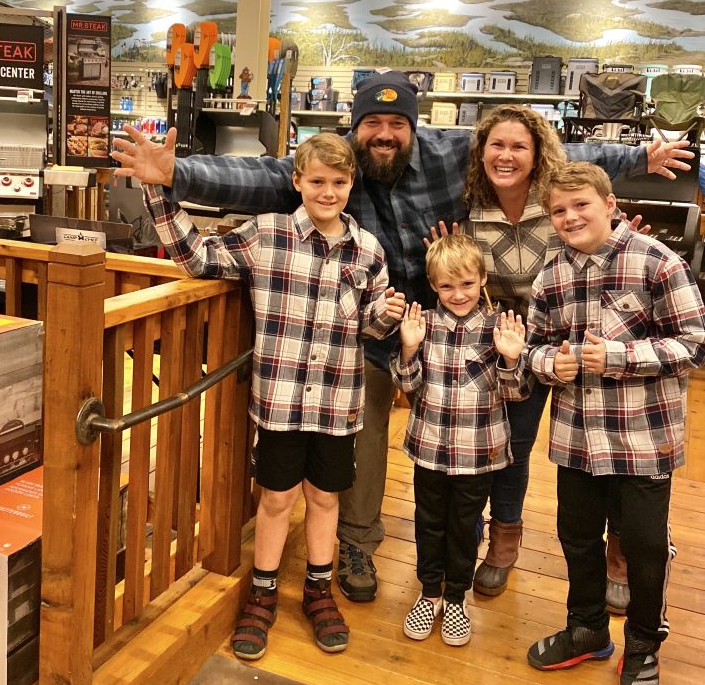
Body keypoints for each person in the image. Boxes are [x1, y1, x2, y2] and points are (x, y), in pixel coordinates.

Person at [111, 71, 694, 604]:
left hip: (457, 324)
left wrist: (641, 152)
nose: (384, 134)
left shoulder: (450, 151)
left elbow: (550, 152)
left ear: (414, 127)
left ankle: (483, 547)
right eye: (373, 123)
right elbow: (260, 177)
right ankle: (358, 541)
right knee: (358, 438)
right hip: (370, 324)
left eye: (396, 123)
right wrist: (175, 173)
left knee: (477, 436)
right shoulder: (337, 168)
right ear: (355, 128)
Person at [141, 133, 405, 660]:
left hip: (337, 403)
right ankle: (262, 593)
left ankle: (317, 589)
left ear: (351, 184)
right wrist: (158, 192)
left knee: (325, 498)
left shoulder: (369, 250)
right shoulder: (267, 234)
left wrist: (386, 317)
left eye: (339, 182)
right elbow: (197, 259)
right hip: (281, 401)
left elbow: (372, 326)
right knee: (277, 498)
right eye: (317, 181)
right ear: (297, 181)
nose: (328, 192)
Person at [524, 163, 705, 685]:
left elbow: (694, 343)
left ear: (609, 203)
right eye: (558, 210)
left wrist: (622, 357)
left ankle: (644, 645)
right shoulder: (550, 275)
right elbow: (534, 345)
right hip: (576, 436)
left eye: (581, 204)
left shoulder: (657, 262)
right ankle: (587, 629)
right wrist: (544, 365)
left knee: (645, 546)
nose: (570, 217)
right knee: (576, 536)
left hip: (644, 440)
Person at [440, 105, 633, 606]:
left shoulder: (557, 201)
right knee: (512, 447)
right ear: (481, 152)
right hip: (510, 349)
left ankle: (623, 551)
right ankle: (504, 540)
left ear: (537, 152)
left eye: (519, 146)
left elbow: (598, 235)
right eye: (497, 146)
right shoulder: (469, 208)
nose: (506, 156)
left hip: (583, 345)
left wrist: (625, 240)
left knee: (607, 451)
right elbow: (462, 277)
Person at [392, 234, 527, 646]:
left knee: (465, 524)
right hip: (429, 447)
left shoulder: (497, 327)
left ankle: (456, 597)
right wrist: (409, 349)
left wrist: (510, 358)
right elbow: (407, 385)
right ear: (433, 285)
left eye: (467, 284)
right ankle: (429, 591)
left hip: (478, 452)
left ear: (482, 279)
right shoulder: (424, 326)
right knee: (428, 522)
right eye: (447, 286)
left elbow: (516, 393)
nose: (458, 294)